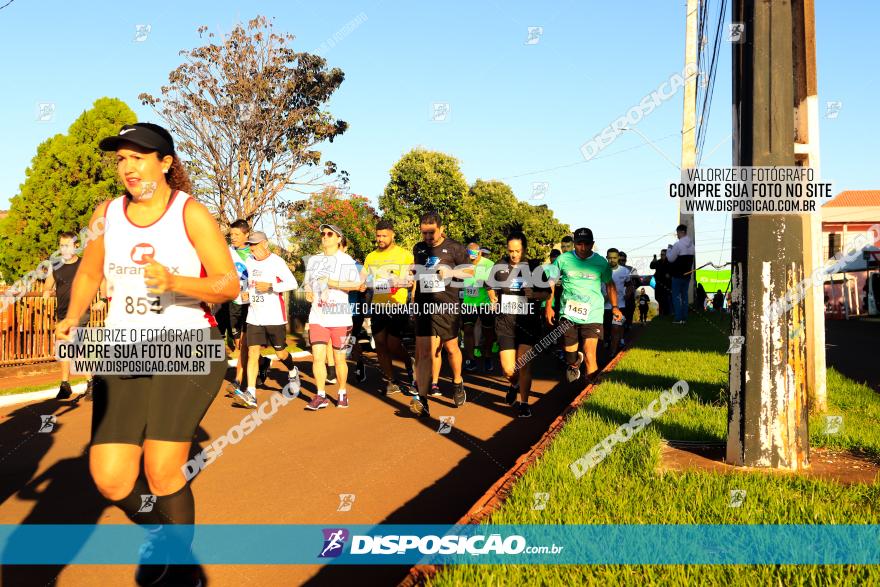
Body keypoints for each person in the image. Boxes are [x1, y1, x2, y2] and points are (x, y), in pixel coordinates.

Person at [56, 122, 239, 586]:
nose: (128, 167)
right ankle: (161, 528)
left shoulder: (190, 213)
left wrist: (176, 281)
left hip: (188, 346)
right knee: (111, 480)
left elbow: (228, 284)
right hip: (123, 350)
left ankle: (181, 567)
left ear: (165, 163)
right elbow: (88, 272)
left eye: (139, 157)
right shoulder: (107, 213)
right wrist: (74, 315)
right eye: (121, 158)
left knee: (161, 470)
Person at [409, 211, 473, 418]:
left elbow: (470, 272)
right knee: (425, 352)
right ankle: (423, 399)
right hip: (424, 306)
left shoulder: (455, 248)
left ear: (441, 229)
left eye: (431, 233)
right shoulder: (418, 248)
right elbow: (419, 275)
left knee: (451, 348)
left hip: (448, 305)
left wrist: (452, 273)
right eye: (424, 233)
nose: (427, 238)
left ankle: (457, 382)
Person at [546, 227, 621, 385]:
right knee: (570, 354)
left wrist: (615, 306)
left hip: (592, 313)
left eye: (587, 244)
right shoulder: (563, 260)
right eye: (579, 243)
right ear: (574, 244)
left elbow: (610, 284)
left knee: (590, 354)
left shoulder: (601, 262)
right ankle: (574, 362)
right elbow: (550, 283)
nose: (583, 247)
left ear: (592, 244)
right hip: (568, 313)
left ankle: (591, 390)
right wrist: (548, 306)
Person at [487, 230, 550, 418]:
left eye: (518, 251)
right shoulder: (499, 265)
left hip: (527, 322)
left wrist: (533, 295)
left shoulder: (534, 267)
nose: (514, 255)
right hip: (505, 323)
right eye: (511, 251)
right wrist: (493, 299)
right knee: (508, 369)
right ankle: (514, 384)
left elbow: (546, 293)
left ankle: (524, 403)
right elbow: (490, 287)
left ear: (524, 249)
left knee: (524, 364)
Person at [237, 231, 301, 409]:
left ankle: (292, 370)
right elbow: (246, 282)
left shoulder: (276, 262)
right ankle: (251, 393)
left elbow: (292, 283)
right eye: (250, 244)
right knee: (252, 352)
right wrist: (245, 293)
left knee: (280, 353)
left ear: (265, 244)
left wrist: (271, 286)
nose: (252, 248)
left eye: (255, 244)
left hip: (274, 316)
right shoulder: (249, 261)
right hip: (254, 315)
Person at [303, 224, 362, 410]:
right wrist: (308, 292)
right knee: (318, 357)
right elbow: (307, 284)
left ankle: (342, 392)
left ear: (338, 239)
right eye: (323, 234)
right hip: (318, 316)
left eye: (330, 234)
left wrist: (332, 282)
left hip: (340, 317)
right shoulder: (313, 260)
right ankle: (320, 395)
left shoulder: (346, 260)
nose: (325, 236)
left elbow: (356, 285)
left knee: (339, 359)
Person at [44, 231, 104, 401]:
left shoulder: (84, 264)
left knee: (73, 344)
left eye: (67, 245)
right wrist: (46, 292)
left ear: (75, 246)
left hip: (80, 312)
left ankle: (91, 382)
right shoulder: (55, 265)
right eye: (62, 245)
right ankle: (66, 385)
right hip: (62, 313)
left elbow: (101, 280)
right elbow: (48, 284)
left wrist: (103, 299)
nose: (64, 249)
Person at [360, 219, 414, 395]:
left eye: (384, 235)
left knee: (393, 344)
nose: (380, 239)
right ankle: (392, 381)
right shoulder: (371, 256)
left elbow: (410, 280)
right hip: (377, 306)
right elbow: (363, 279)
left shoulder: (405, 255)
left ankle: (409, 361)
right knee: (380, 344)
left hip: (396, 305)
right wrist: (361, 284)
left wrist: (395, 282)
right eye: (378, 235)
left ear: (392, 235)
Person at [221, 219, 270, 400]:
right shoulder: (227, 252)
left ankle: (237, 380)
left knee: (245, 342)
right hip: (234, 302)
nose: (232, 238)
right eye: (231, 235)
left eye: (236, 235)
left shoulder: (255, 252)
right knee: (239, 343)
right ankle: (263, 363)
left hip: (252, 303)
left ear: (246, 234)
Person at [461, 237, 496, 373]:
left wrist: (493, 299)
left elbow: (493, 283)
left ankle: (488, 356)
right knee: (468, 330)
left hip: (485, 303)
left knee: (488, 332)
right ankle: (470, 359)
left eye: (474, 254)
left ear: (480, 253)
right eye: (469, 254)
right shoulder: (463, 263)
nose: (471, 257)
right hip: (468, 303)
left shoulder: (489, 264)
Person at [341, 237, 367, 384]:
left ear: (345, 248)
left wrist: (360, 286)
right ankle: (333, 372)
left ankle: (359, 363)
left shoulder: (356, 266)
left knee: (351, 342)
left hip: (353, 311)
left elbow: (366, 282)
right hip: (332, 311)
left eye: (340, 247)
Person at [602, 248, 630, 357]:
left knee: (616, 328)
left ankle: (613, 353)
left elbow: (629, 284)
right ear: (606, 258)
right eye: (609, 258)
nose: (612, 260)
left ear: (618, 258)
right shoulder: (601, 270)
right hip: (604, 306)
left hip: (620, 305)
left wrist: (628, 293)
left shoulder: (624, 271)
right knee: (606, 330)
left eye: (614, 258)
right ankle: (607, 342)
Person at [666, 224, 696, 324]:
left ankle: (678, 318)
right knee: (685, 296)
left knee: (676, 296)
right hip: (687, 274)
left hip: (677, 274)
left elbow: (670, 259)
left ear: (681, 232)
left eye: (677, 233)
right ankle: (685, 317)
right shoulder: (692, 245)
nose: (677, 235)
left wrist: (669, 250)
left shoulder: (678, 245)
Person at [617, 250, 638, 345]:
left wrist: (631, 289)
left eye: (623, 260)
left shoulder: (631, 269)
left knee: (629, 311)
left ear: (626, 260)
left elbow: (637, 281)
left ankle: (628, 325)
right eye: (620, 260)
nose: (622, 262)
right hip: (616, 297)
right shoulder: (612, 270)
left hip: (628, 297)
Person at [650, 249, 672, 316]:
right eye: (661, 254)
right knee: (658, 298)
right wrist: (653, 260)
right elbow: (651, 266)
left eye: (663, 254)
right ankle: (661, 313)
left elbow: (672, 271)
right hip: (658, 283)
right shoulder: (658, 262)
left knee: (665, 299)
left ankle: (666, 313)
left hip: (666, 284)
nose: (662, 256)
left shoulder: (669, 262)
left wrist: (669, 275)